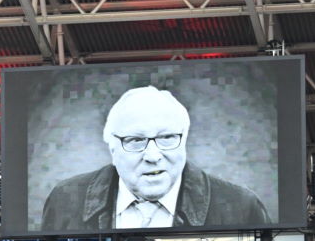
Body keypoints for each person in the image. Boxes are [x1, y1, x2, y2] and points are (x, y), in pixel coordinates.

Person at [39, 86, 268, 232]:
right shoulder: (65, 200)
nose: (153, 156)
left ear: (185, 139)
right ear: (112, 147)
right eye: (135, 141)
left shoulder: (241, 205)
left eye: (167, 137)